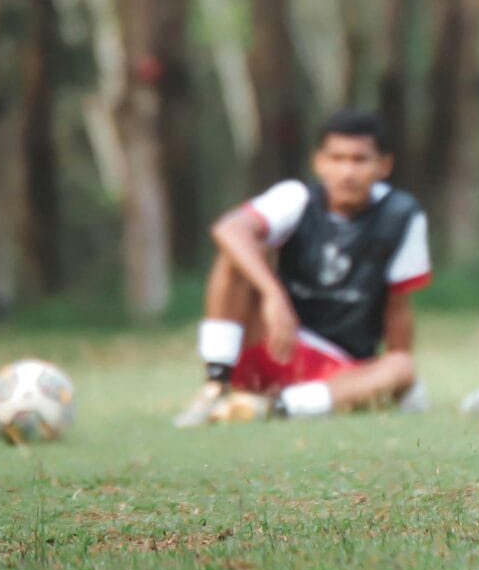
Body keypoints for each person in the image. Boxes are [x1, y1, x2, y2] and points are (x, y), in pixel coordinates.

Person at [172, 109, 431, 425]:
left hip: (337, 366)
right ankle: (216, 384)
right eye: (336, 158)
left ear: (383, 165)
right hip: (277, 340)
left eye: (359, 160)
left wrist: (394, 381)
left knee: (402, 366)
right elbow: (229, 229)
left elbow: (398, 307)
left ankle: (275, 407)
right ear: (318, 162)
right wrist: (273, 295)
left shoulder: (401, 215)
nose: (346, 172)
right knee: (235, 256)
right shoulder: (296, 198)